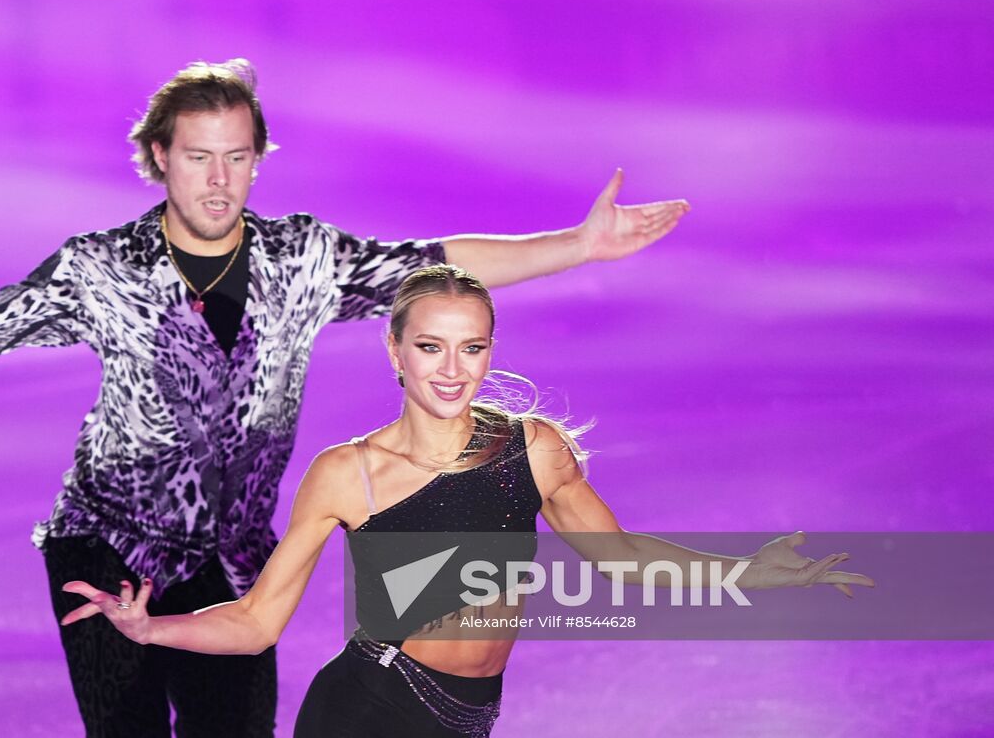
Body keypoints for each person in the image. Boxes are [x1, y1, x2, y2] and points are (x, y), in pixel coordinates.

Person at [0, 59, 691, 737]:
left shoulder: (302, 258)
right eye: (196, 155)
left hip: (236, 554)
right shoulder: (98, 269)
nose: (216, 179)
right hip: (106, 542)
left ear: (255, 158)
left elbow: (437, 263)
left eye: (235, 156)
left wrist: (578, 243)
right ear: (158, 155)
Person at [60, 264, 875, 738]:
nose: (452, 369)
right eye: (430, 347)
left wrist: (754, 574)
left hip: (470, 715)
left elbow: (623, 559)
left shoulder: (533, 449)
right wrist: (149, 626)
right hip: (370, 705)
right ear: (396, 351)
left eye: (472, 347)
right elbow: (257, 622)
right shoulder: (351, 473)